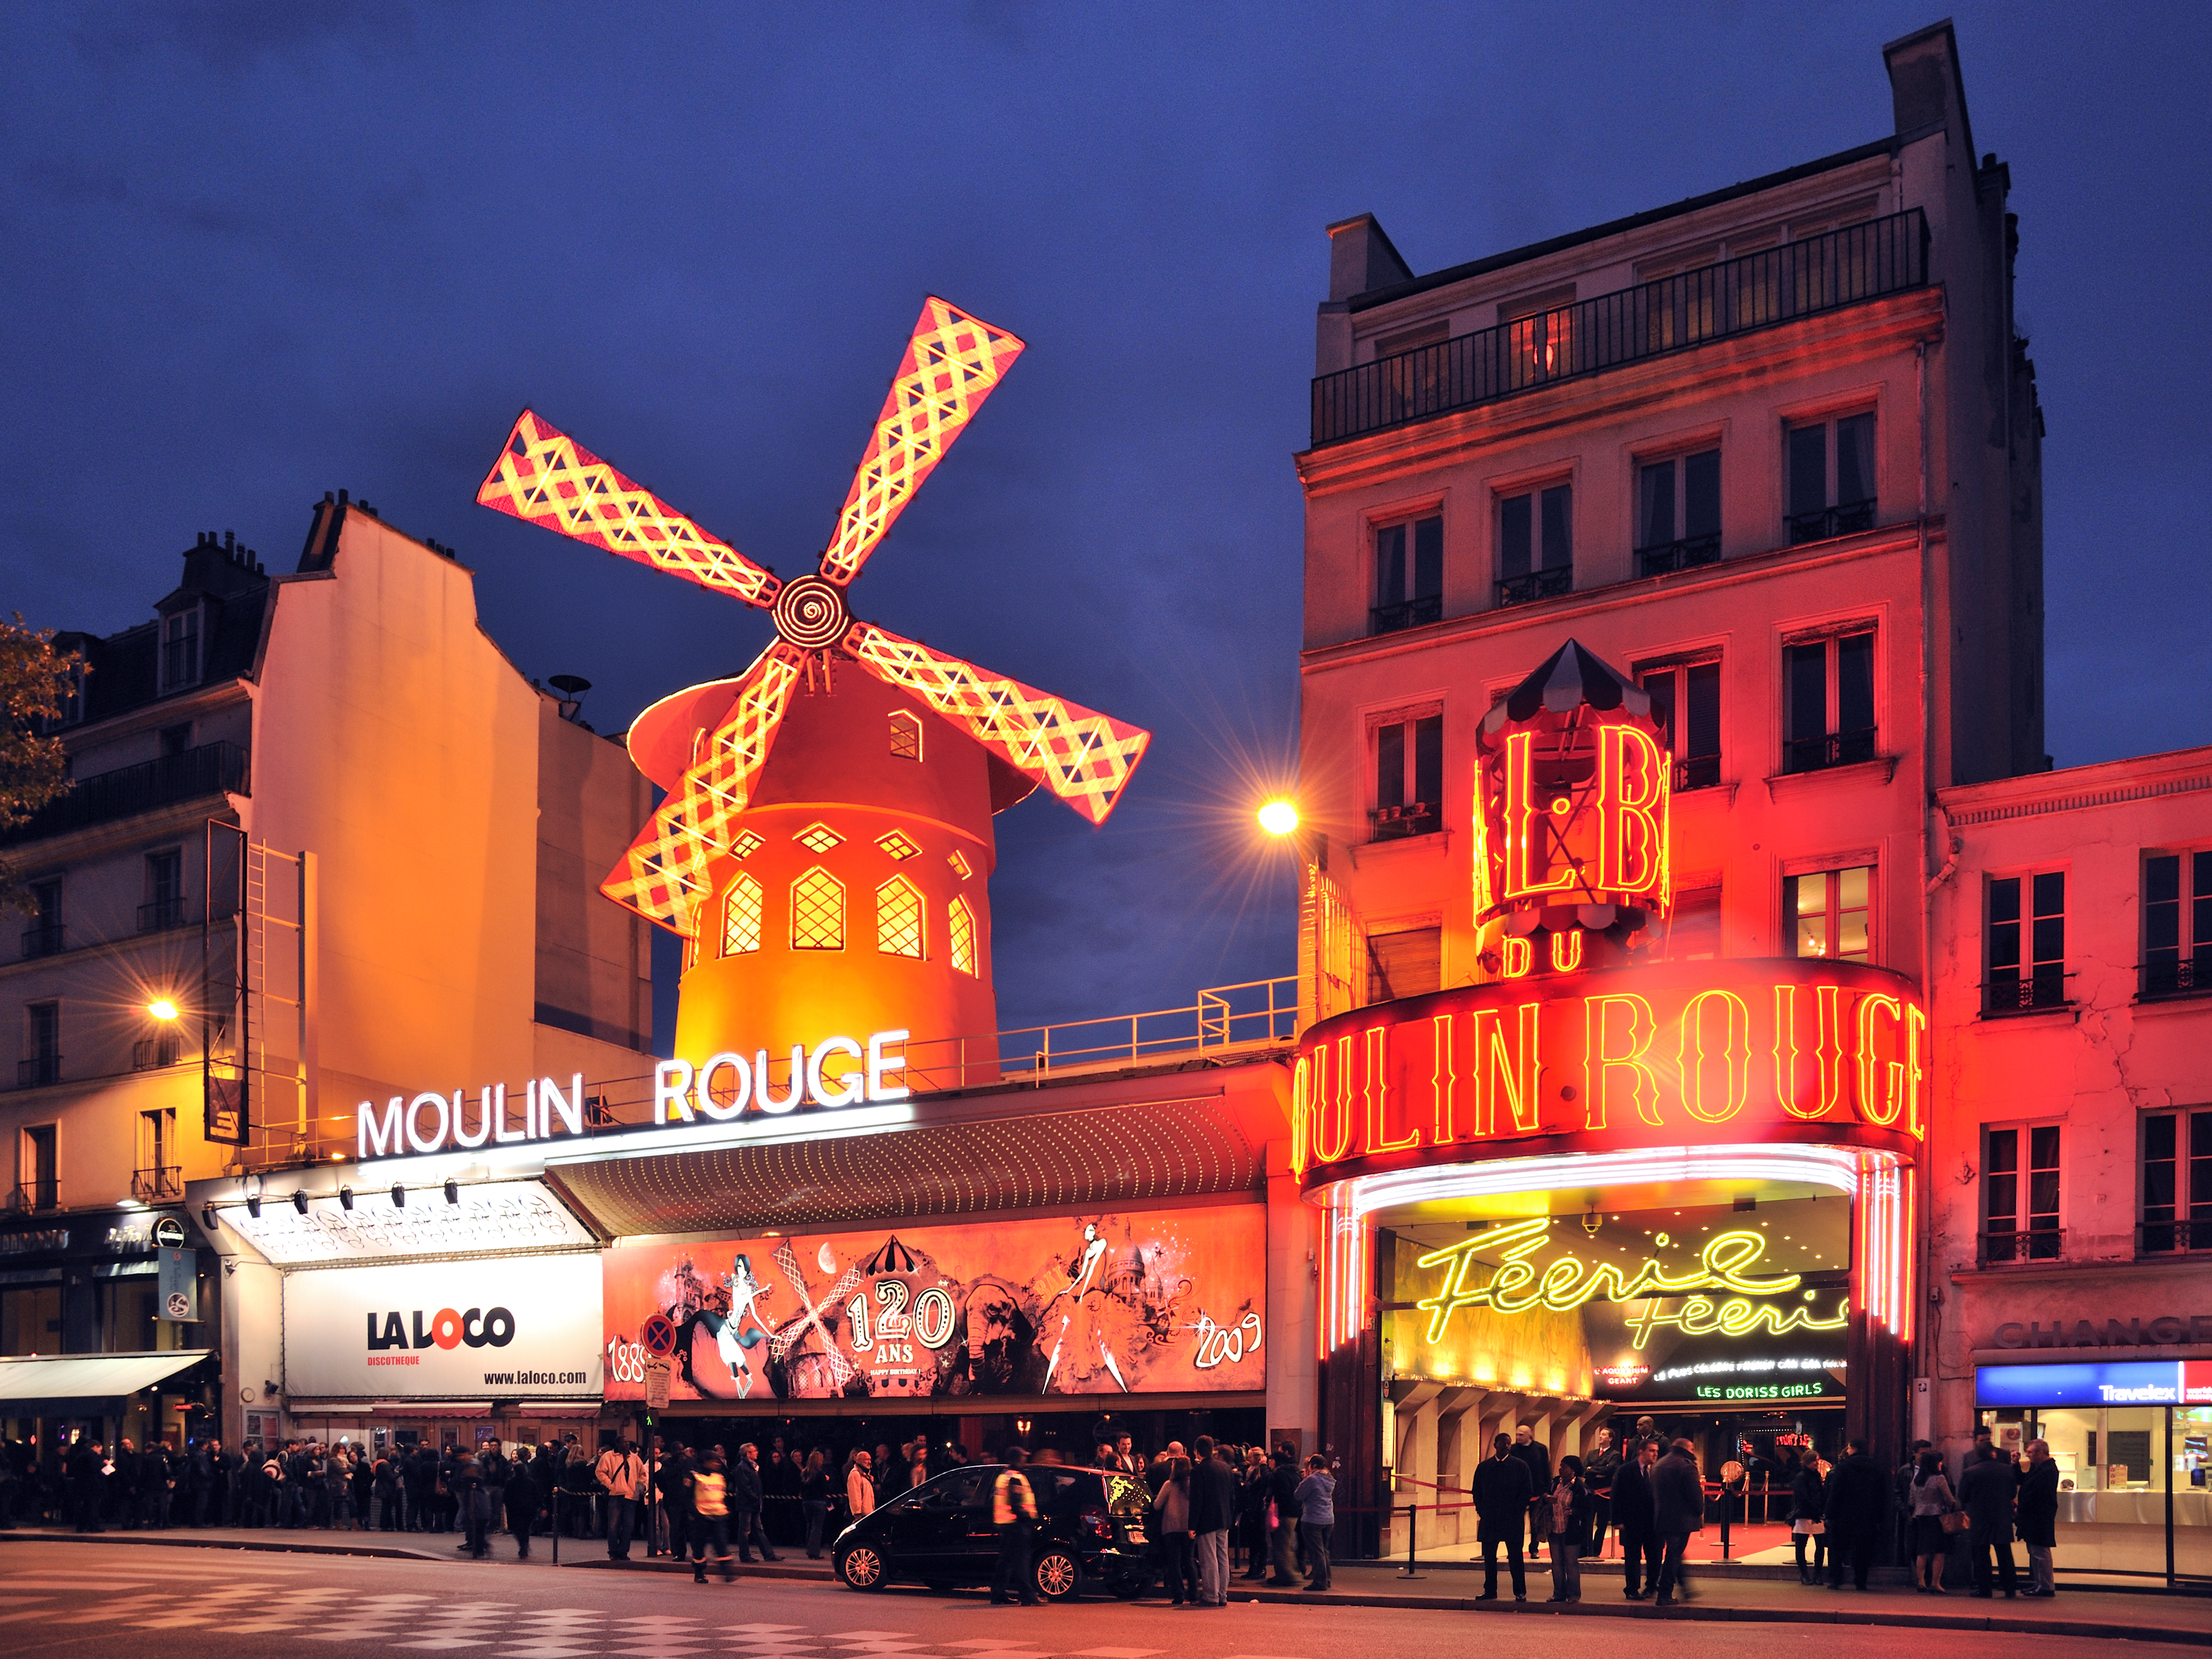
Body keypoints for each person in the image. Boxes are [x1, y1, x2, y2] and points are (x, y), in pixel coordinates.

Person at [1472, 1432, 1533, 1602]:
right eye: (1502, 1443)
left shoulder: (1520, 1466)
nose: (1506, 1446)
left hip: (1512, 1520)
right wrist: (1482, 1511)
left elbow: (1527, 1492)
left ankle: (1520, 1591)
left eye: (1508, 1444)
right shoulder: (1484, 1467)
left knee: (1515, 1557)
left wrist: (1517, 1511)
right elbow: (1476, 1492)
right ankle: (1490, 1590)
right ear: (1495, 1445)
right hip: (1490, 1519)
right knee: (1490, 1558)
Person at [1957, 1442, 2020, 1599]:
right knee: (2004, 1552)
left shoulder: (1970, 1472)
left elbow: (1963, 1496)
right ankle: (2009, 1587)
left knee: (1981, 1554)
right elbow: (2012, 1493)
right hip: (2001, 1515)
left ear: (1977, 1455)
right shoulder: (2007, 1470)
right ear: (1993, 1453)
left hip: (1979, 1517)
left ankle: (1985, 1589)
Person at [1823, 1437, 1885, 1592]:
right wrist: (1880, 1517)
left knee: (1838, 1548)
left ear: (1854, 1448)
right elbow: (1882, 1494)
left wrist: (1829, 1514)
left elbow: (1835, 1492)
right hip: (1867, 1515)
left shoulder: (1844, 1467)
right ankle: (1861, 1581)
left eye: (1849, 1448)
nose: (1848, 1450)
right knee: (1863, 1550)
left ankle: (1836, 1579)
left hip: (1843, 1514)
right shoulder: (1875, 1467)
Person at [1651, 1438, 1703, 1607]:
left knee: (1674, 1554)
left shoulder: (1659, 1464)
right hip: (1681, 1519)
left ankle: (1684, 1588)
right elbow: (1695, 1495)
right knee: (1674, 1555)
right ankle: (1665, 1593)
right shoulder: (1686, 1466)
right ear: (1686, 1449)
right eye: (1692, 1449)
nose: (1694, 1452)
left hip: (1661, 1517)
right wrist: (1699, 1511)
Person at [1187, 1435, 1238, 1606]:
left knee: (1209, 1560)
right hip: (1224, 1519)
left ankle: (1211, 1596)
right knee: (1223, 1558)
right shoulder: (1225, 1468)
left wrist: (1192, 1525)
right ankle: (1223, 1595)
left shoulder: (1198, 1471)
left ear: (1196, 1452)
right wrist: (1230, 1519)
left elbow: (1197, 1500)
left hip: (1206, 1520)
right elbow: (1232, 1497)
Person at [989, 1446, 1041, 1606]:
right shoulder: (1015, 1478)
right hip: (1017, 1525)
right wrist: (1027, 1518)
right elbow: (1016, 1504)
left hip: (1006, 1525)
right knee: (1022, 1562)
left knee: (1006, 1561)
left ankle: (998, 1594)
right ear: (1016, 1460)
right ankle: (1028, 1596)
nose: (1025, 1460)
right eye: (1023, 1458)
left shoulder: (1003, 1477)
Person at [1150, 1443, 1196, 1606]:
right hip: (1189, 1528)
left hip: (1171, 1528)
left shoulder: (1169, 1485)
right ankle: (1194, 1594)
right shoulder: (1194, 1485)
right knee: (1189, 1561)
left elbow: (1157, 1505)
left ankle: (1179, 1595)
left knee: (1174, 1563)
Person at [1614, 1437, 1659, 1600]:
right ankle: (1632, 1589)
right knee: (1632, 1557)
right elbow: (1617, 1495)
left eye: (1657, 1451)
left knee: (1654, 1556)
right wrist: (1618, 1520)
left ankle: (1651, 1586)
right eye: (1652, 1451)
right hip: (1631, 1522)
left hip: (1652, 1523)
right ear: (1642, 1451)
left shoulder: (1656, 1470)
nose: (1655, 1454)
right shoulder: (1626, 1470)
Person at [1907, 1448, 1958, 1593]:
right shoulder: (1939, 1479)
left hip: (1921, 1517)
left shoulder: (1916, 1479)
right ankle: (1935, 1583)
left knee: (1922, 1550)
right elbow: (1949, 1499)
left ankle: (1921, 1581)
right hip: (1938, 1517)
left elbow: (1911, 1500)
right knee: (1939, 1551)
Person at [1545, 1454, 1590, 1602]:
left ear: (1573, 1470)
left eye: (1564, 1466)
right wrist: (1547, 1498)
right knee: (1556, 1564)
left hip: (1571, 1531)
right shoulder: (1555, 1483)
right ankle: (1558, 1593)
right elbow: (1545, 1495)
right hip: (1555, 1528)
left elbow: (1588, 1509)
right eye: (1560, 1465)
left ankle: (1574, 1594)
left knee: (1571, 1563)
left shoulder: (1579, 1487)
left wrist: (1575, 1511)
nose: (1560, 1469)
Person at [2017, 1439, 2059, 1597]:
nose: (2028, 1455)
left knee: (2040, 1552)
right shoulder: (2041, 1468)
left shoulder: (2047, 1470)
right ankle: (2039, 1584)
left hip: (2039, 1517)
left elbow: (2036, 1494)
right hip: (2034, 1516)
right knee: (2035, 1551)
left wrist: (2021, 1507)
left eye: (2030, 1452)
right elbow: (2023, 1481)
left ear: (2040, 1452)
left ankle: (2046, 1586)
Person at [1508, 1425, 1551, 1559]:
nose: (1518, 1437)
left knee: (1535, 1522)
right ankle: (1515, 1550)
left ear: (1529, 1435)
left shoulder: (1540, 1449)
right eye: (1517, 1435)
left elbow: (1546, 1469)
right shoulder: (1513, 1450)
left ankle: (1534, 1548)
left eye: (1521, 1435)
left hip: (1537, 1490)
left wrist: (1547, 1489)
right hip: (1518, 1491)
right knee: (1516, 1522)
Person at [692, 1454, 736, 1584]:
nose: (717, 1464)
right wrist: (696, 1514)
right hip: (702, 1516)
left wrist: (726, 1509)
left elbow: (722, 1495)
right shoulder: (696, 1476)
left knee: (721, 1543)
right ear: (705, 1462)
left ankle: (727, 1570)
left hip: (719, 1516)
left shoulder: (720, 1476)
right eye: (714, 1461)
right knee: (699, 1546)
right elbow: (687, 1498)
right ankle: (699, 1572)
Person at [1294, 1454, 1335, 1592]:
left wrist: (1305, 1478)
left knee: (1317, 1552)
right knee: (1324, 1550)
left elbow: (1298, 1495)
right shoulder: (1329, 1478)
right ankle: (1327, 1579)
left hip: (1313, 1519)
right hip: (1329, 1519)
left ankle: (1320, 1582)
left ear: (1314, 1466)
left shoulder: (1312, 1479)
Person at [1788, 1445, 1828, 1585]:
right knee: (1807, 1546)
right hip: (1808, 1515)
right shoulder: (1804, 1477)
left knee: (1813, 1546)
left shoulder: (1810, 1476)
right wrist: (1818, 1509)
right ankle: (1808, 1574)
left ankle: (1812, 1575)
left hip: (1811, 1514)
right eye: (1814, 1460)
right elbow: (1804, 1497)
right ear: (1807, 1461)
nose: (1817, 1463)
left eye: (1817, 1460)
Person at [1266, 1443, 1302, 1587]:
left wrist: (1273, 1502)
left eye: (1272, 1461)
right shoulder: (1294, 1472)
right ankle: (1287, 1574)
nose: (1270, 1463)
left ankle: (1288, 1576)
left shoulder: (1280, 1474)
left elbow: (1282, 1493)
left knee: (1282, 1546)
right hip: (1294, 1512)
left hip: (1284, 1513)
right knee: (1287, 1545)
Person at [1584, 1426, 1620, 1560]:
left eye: (1604, 1434)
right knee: (1587, 1522)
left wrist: (1592, 1469)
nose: (1600, 1436)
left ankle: (1596, 1550)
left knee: (1602, 1524)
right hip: (1590, 1493)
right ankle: (1586, 1549)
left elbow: (1610, 1471)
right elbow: (1583, 1469)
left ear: (1610, 1438)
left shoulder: (1615, 1455)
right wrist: (1598, 1471)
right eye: (1600, 1434)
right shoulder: (1591, 1453)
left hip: (1604, 1495)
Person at [1239, 1445, 1273, 1580]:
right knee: (1253, 1539)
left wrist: (1246, 1486)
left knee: (1260, 1539)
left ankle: (1261, 1568)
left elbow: (1264, 1484)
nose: (1248, 1459)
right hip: (1251, 1509)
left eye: (1250, 1456)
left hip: (1259, 1509)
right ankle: (1253, 1567)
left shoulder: (1262, 1473)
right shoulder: (1249, 1471)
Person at [505, 1447, 540, 1559]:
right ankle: (524, 1544)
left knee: (517, 1529)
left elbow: (506, 1496)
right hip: (529, 1509)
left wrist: (507, 1505)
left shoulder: (511, 1482)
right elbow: (537, 1495)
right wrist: (541, 1507)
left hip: (515, 1509)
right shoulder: (531, 1482)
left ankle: (523, 1544)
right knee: (525, 1528)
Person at [845, 1449, 874, 1525]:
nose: (869, 1462)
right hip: (862, 1516)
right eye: (866, 1460)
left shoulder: (864, 1475)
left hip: (869, 1514)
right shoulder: (855, 1474)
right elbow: (855, 1495)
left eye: (870, 1460)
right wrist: (857, 1514)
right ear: (859, 1461)